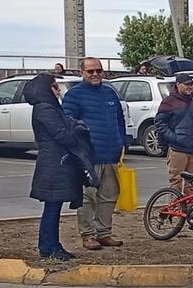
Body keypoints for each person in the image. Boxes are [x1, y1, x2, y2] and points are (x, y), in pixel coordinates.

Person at [63, 57, 126, 250]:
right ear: (81, 72)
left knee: (109, 196)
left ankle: (104, 233)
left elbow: (119, 119)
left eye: (99, 70)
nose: (96, 74)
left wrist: (122, 141)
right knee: (87, 198)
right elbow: (68, 123)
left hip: (111, 154)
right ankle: (88, 235)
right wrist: (80, 149)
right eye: (91, 71)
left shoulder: (109, 92)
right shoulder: (74, 95)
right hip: (89, 157)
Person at [25, 73, 84, 260]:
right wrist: (76, 134)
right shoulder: (45, 109)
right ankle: (49, 247)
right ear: (47, 89)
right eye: (55, 86)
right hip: (53, 163)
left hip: (55, 161)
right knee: (52, 207)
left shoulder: (48, 107)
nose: (58, 90)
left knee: (54, 206)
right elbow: (60, 133)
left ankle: (52, 245)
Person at [156, 73, 193, 196]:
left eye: (191, 84)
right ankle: (175, 207)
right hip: (178, 150)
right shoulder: (169, 102)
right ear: (178, 85)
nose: (190, 87)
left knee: (192, 185)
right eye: (187, 84)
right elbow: (160, 123)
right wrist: (174, 138)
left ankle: (190, 207)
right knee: (176, 182)